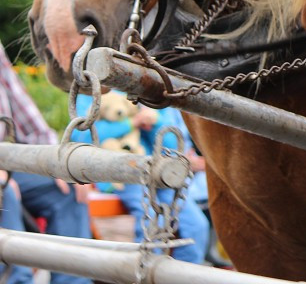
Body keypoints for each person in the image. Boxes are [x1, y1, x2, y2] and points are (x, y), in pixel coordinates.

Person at [71, 94, 210, 265]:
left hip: (157, 174)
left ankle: (184, 275)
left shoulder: (151, 93)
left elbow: (172, 145)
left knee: (197, 224)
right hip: (121, 175)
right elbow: (83, 138)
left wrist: (154, 122)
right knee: (152, 222)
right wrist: (131, 123)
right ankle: (145, 272)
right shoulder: (90, 93)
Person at [0, 45, 93, 284]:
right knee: (5, 193)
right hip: (4, 179)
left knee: (68, 190)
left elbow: (26, 116)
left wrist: (57, 163)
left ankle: (74, 280)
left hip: (7, 165)